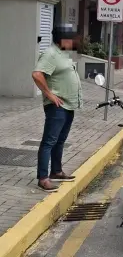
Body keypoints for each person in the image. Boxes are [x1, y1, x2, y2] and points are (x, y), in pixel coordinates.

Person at [32, 27, 83, 192]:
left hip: (68, 105)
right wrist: (50, 95)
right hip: (57, 107)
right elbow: (37, 74)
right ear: (62, 39)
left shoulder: (63, 54)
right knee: (49, 141)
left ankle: (56, 171)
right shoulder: (50, 54)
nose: (73, 42)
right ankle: (43, 178)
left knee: (60, 140)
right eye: (71, 39)